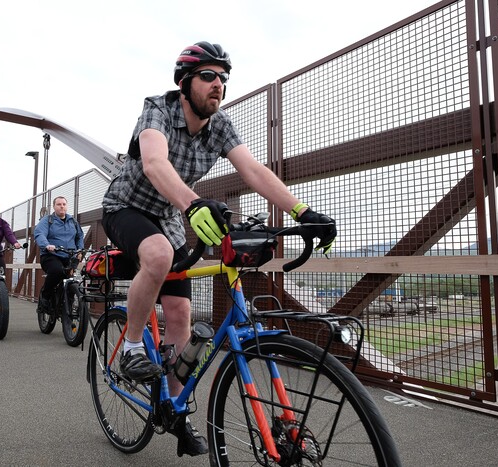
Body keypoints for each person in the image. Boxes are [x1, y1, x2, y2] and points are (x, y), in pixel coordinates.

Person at [100, 41, 337, 457]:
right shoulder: (158, 108)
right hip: (128, 206)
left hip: (170, 215)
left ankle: (175, 409)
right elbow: (155, 163)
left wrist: (302, 211)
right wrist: (192, 204)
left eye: (224, 79)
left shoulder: (221, 125)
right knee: (157, 255)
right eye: (209, 76)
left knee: (181, 316)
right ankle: (134, 347)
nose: (218, 85)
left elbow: (254, 171)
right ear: (185, 82)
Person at [33, 196, 84, 313]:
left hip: (69, 255)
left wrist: (80, 250)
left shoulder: (73, 221)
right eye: (59, 204)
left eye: (64, 204)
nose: (62, 206)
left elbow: (80, 236)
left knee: (71, 280)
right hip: (51, 255)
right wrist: (46, 245)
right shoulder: (47, 220)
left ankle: (67, 307)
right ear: (54, 206)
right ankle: (45, 297)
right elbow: (39, 233)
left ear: (66, 206)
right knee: (57, 271)